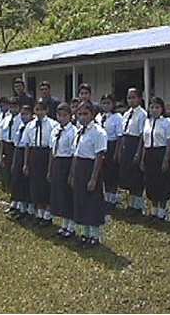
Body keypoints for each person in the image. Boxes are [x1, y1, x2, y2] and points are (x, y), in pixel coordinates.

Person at [69, 100, 107, 247]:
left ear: (92, 114)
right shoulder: (79, 131)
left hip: (91, 168)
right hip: (79, 168)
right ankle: (84, 233)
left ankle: (95, 236)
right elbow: (76, 154)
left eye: (86, 114)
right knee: (81, 200)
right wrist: (72, 174)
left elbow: (99, 156)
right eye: (79, 114)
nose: (82, 117)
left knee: (92, 202)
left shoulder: (98, 132)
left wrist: (93, 178)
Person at [22, 100, 58, 226]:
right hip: (34, 154)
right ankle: (39, 213)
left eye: (42, 110)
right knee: (36, 185)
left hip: (46, 154)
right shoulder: (30, 125)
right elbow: (26, 145)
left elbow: (52, 147)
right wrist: (26, 163)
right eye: (37, 109)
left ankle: (48, 215)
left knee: (46, 185)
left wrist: (50, 167)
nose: (39, 112)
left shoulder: (53, 124)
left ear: (47, 111)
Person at [139, 97, 170, 220]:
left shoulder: (167, 122)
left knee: (162, 182)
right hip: (149, 153)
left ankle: (162, 211)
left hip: (161, 152)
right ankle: (153, 210)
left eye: (157, 107)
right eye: (152, 107)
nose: (154, 110)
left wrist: (166, 159)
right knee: (151, 181)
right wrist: (143, 158)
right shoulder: (147, 122)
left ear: (162, 109)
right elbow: (145, 141)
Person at [48, 102, 78, 238]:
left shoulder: (73, 131)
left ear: (70, 116)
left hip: (67, 162)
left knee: (67, 194)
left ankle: (71, 225)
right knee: (59, 193)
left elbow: (74, 154)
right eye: (59, 115)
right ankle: (64, 224)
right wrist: (50, 169)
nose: (61, 118)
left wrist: (71, 173)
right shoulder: (55, 130)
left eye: (65, 115)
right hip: (57, 162)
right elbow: (52, 151)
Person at [116, 88, 147, 215]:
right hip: (126, 145)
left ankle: (138, 206)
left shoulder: (142, 114)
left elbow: (142, 136)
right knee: (128, 176)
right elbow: (123, 133)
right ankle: (131, 204)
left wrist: (138, 153)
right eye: (129, 98)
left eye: (134, 97)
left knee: (136, 177)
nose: (131, 100)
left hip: (136, 145)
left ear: (139, 99)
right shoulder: (126, 113)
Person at [96, 94, 123, 206]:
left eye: (108, 103)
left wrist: (117, 152)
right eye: (104, 103)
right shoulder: (98, 116)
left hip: (112, 145)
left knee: (112, 173)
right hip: (100, 146)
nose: (106, 106)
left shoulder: (117, 117)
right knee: (103, 172)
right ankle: (105, 197)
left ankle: (112, 198)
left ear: (113, 104)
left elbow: (119, 136)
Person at [10, 105, 33, 218]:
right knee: (17, 179)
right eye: (22, 114)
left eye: (26, 114)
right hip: (18, 151)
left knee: (25, 182)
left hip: (26, 153)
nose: (24, 116)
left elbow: (28, 144)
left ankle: (28, 210)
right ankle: (20, 206)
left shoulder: (31, 127)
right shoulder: (20, 126)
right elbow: (16, 142)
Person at [0, 97, 21, 198]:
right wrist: (1, 153)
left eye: (15, 107)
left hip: (16, 148)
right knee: (7, 172)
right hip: (6, 147)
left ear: (19, 107)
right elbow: (2, 138)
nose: (13, 109)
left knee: (16, 173)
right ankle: (11, 197)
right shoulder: (5, 119)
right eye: (11, 107)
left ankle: (17, 198)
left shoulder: (21, 120)